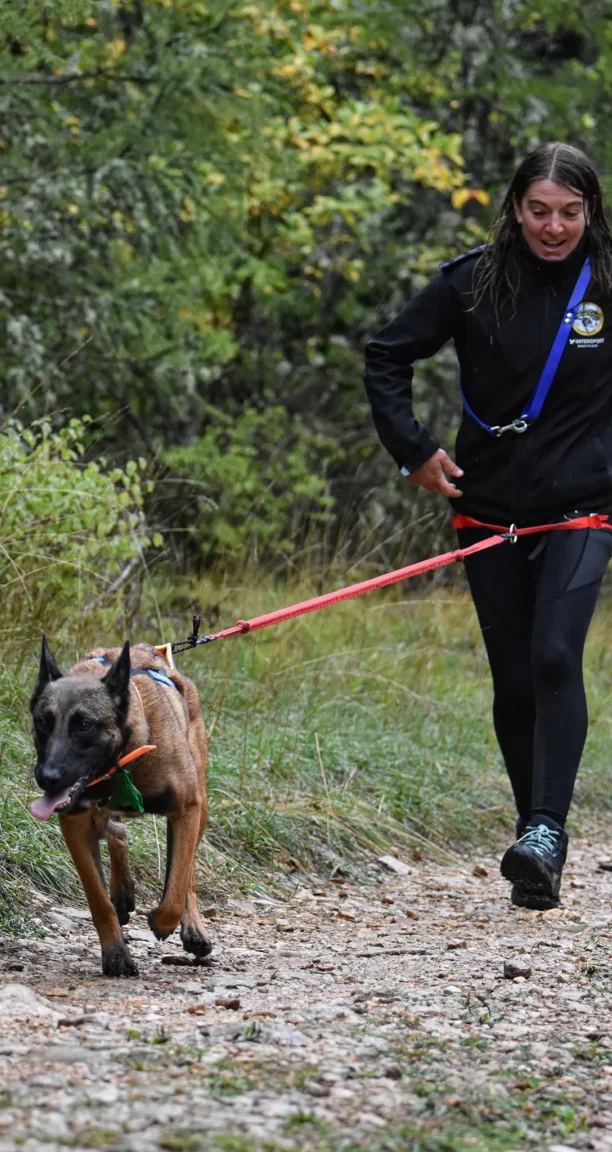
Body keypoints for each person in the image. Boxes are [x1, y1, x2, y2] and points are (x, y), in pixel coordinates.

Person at [364, 141, 612, 910]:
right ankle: (533, 842)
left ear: (590, 213)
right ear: (514, 209)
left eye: (570, 212)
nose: (554, 226)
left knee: (552, 654)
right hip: (487, 511)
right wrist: (414, 451)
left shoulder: (607, 278)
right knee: (512, 677)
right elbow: (385, 357)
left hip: (583, 507)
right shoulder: (471, 282)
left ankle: (546, 830)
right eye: (538, 210)